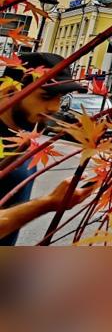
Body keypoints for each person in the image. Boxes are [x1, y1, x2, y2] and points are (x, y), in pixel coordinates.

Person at [0, 52, 92, 246]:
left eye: (60, 97)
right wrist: (48, 203)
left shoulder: (24, 137)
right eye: (46, 96)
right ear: (9, 91)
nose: (54, 107)